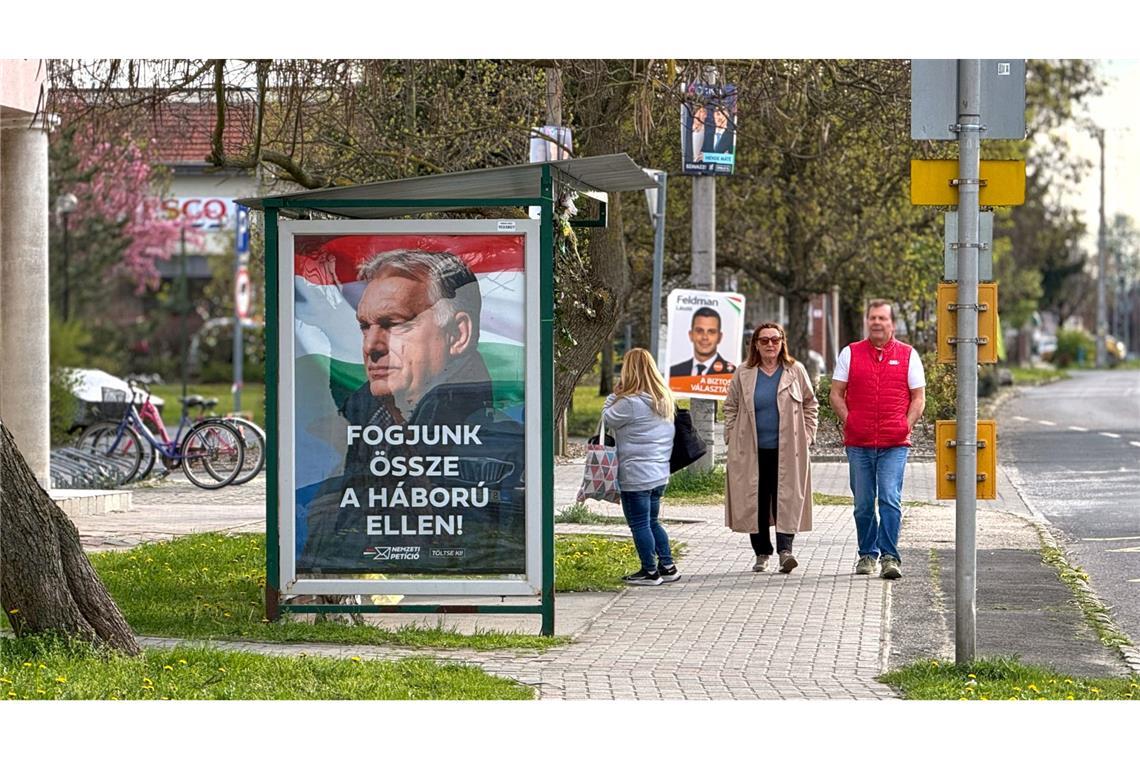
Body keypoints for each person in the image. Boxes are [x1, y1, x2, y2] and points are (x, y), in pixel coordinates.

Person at [299, 249, 525, 573]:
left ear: (457, 335)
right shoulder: (360, 427)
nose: (372, 346)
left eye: (395, 324)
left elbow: (490, 552)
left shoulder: (499, 444)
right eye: (365, 326)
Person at [829, 299, 926, 580]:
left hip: (894, 444)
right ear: (867, 322)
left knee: (889, 498)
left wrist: (904, 426)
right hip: (858, 444)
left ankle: (890, 557)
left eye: (882, 318)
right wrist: (851, 421)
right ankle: (867, 554)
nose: (877, 323)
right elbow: (836, 393)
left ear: (892, 324)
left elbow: (918, 398)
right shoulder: (850, 353)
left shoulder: (908, 355)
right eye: (872, 318)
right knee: (862, 503)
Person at [724, 323, 818, 574]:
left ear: (782, 342)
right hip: (751, 450)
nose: (770, 345)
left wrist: (807, 436)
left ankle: (785, 551)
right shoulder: (744, 372)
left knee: (785, 499)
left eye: (775, 340)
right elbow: (731, 407)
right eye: (764, 340)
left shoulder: (795, 370)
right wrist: (732, 437)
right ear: (755, 344)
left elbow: (810, 404)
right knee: (755, 500)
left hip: (788, 450)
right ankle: (762, 552)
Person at [603, 347, 680, 586]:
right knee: (653, 521)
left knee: (639, 524)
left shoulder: (630, 403)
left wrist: (612, 397)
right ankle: (667, 566)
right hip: (659, 474)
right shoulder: (664, 399)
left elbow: (606, 418)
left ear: (628, 370)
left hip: (636, 474)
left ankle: (649, 571)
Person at [670, 307, 737, 377]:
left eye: (711, 332)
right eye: (699, 331)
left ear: (719, 337)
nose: (705, 337)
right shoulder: (673, 372)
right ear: (691, 335)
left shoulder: (732, 374)